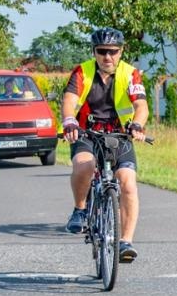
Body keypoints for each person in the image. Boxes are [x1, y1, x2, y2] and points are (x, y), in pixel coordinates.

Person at [61, 27, 149, 261]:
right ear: (94, 52)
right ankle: (80, 210)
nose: (107, 57)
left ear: (121, 52)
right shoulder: (83, 72)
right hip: (86, 133)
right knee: (84, 166)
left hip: (119, 135)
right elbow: (69, 101)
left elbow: (141, 105)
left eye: (112, 51)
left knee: (128, 184)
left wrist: (137, 126)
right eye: (102, 51)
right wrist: (69, 122)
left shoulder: (131, 74)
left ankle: (125, 242)